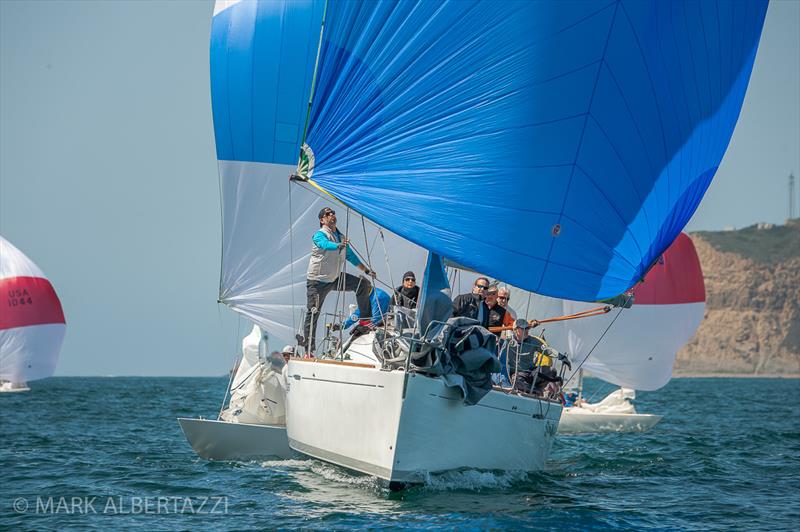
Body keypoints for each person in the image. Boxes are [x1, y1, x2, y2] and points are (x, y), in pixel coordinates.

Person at [300, 207, 375, 354]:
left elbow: (351, 256)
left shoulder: (340, 237)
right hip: (317, 282)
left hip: (334, 278)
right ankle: (309, 350)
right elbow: (324, 244)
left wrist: (366, 270)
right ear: (322, 220)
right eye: (327, 214)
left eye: (333, 213)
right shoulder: (319, 235)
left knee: (363, 284)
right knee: (313, 312)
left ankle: (365, 321)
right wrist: (338, 246)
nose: (332, 215)